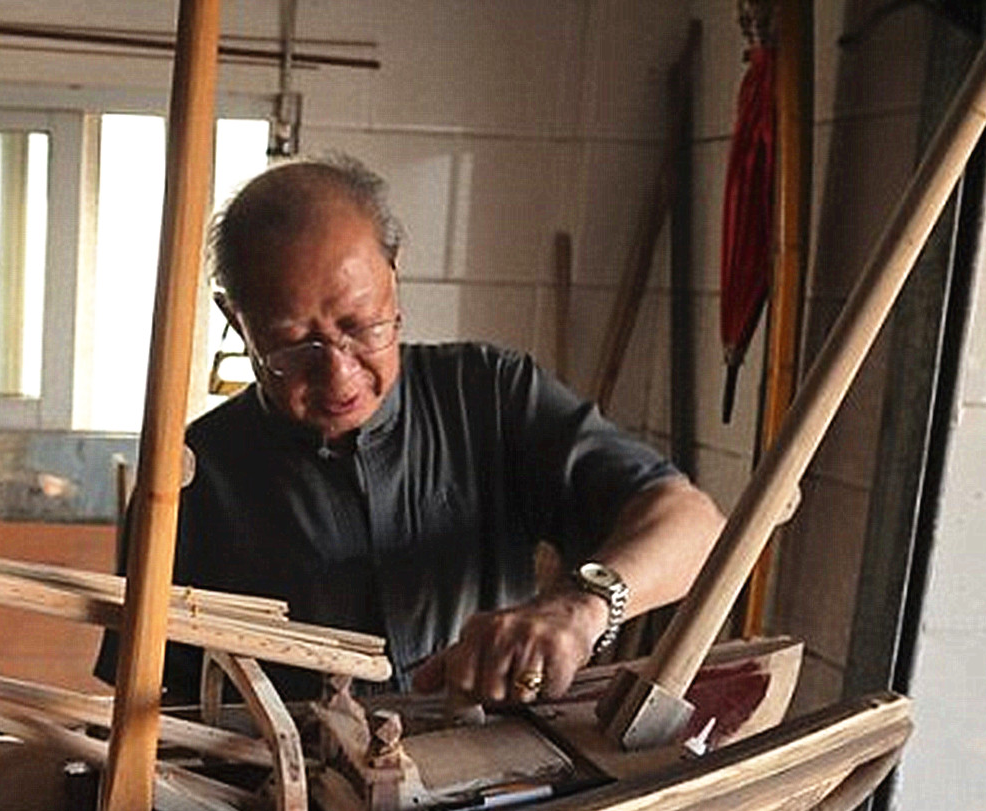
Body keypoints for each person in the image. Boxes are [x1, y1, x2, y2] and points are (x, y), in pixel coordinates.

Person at [103, 155, 723, 706]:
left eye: (363, 327)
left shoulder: (489, 394)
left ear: (393, 276)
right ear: (236, 320)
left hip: (491, 776)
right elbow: (151, 707)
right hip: (284, 791)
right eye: (293, 347)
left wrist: (579, 609)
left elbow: (694, 524)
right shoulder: (189, 479)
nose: (339, 375)